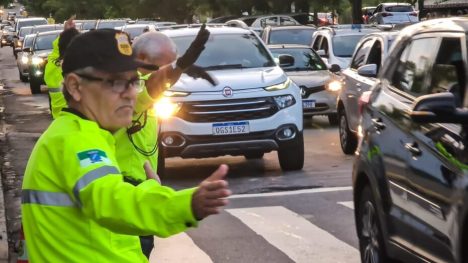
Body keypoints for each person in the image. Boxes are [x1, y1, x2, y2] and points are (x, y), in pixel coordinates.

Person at [21, 29, 231, 262]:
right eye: (116, 83)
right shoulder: (77, 140)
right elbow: (110, 201)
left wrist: (150, 189)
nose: (131, 94)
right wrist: (187, 204)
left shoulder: (83, 134)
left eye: (133, 82)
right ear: (75, 87)